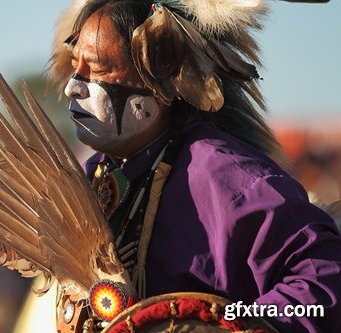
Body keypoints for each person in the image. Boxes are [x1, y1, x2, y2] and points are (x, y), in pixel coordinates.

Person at [44, 0, 341, 332]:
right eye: (74, 66)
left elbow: (325, 280)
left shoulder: (228, 178)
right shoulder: (94, 176)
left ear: (160, 79)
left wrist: (226, 323)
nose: (72, 85)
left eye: (96, 68)